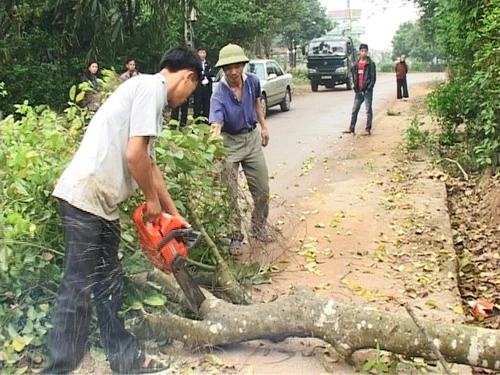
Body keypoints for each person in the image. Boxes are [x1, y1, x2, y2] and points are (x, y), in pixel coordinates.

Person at [43, 46, 201, 375]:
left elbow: (148, 163)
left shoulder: (147, 94)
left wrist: (172, 213)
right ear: (188, 77)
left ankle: (124, 360)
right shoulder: (150, 88)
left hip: (103, 205)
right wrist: (152, 202)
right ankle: (57, 369)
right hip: (85, 198)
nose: (186, 99)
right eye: (191, 92)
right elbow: (134, 156)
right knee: (78, 289)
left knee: (109, 287)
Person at [209, 43, 272, 254]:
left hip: (252, 138)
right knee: (230, 192)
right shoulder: (218, 93)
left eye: (237, 66)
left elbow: (256, 104)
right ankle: (235, 236)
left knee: (262, 188)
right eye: (228, 68)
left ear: (243, 65)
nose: (233, 72)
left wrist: (264, 126)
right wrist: (212, 152)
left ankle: (258, 227)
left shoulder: (253, 81)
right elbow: (215, 124)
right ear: (223, 70)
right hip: (229, 142)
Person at [342, 43, 376, 136]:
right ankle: (351, 128)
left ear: (367, 52)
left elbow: (373, 78)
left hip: (367, 91)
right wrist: (355, 87)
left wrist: (369, 87)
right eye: (362, 51)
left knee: (368, 110)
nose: (363, 53)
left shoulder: (371, 64)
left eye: (365, 51)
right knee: (354, 110)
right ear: (359, 52)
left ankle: (367, 129)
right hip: (358, 91)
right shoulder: (356, 64)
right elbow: (354, 76)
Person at [193, 46, 213, 119]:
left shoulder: (208, 63)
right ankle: (196, 122)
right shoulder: (195, 64)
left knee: (207, 105)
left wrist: (204, 73)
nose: (202, 54)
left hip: (207, 88)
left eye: (204, 52)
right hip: (198, 87)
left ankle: (207, 121)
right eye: (200, 52)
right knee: (197, 105)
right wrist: (203, 74)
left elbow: (211, 73)